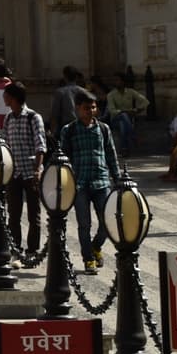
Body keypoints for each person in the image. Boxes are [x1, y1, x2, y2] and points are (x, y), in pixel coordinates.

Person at [58, 91, 119, 272]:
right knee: (84, 224)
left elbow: (111, 154)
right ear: (77, 109)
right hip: (80, 184)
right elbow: (62, 158)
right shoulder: (69, 130)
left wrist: (117, 178)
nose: (90, 111)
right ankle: (88, 258)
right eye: (86, 108)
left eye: (93, 107)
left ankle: (96, 246)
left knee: (108, 222)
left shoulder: (103, 129)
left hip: (102, 182)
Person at [0, 82, 46, 260]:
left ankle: (33, 249)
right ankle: (15, 247)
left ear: (13, 98)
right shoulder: (8, 118)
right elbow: (5, 144)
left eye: (6, 95)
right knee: (14, 213)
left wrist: (37, 171)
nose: (3, 98)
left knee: (34, 214)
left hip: (30, 172)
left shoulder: (33, 117)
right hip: (14, 173)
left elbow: (40, 145)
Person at [105, 72, 148, 154]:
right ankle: (134, 137)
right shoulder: (111, 95)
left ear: (123, 82)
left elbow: (145, 101)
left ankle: (125, 148)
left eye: (118, 80)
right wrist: (124, 112)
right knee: (123, 116)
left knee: (123, 125)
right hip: (115, 120)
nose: (116, 82)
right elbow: (112, 110)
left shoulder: (130, 92)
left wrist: (137, 110)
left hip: (128, 120)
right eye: (115, 81)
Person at [50, 66, 86, 135]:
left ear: (65, 77)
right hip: (83, 126)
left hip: (66, 128)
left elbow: (55, 113)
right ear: (76, 77)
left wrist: (53, 131)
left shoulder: (60, 92)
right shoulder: (84, 92)